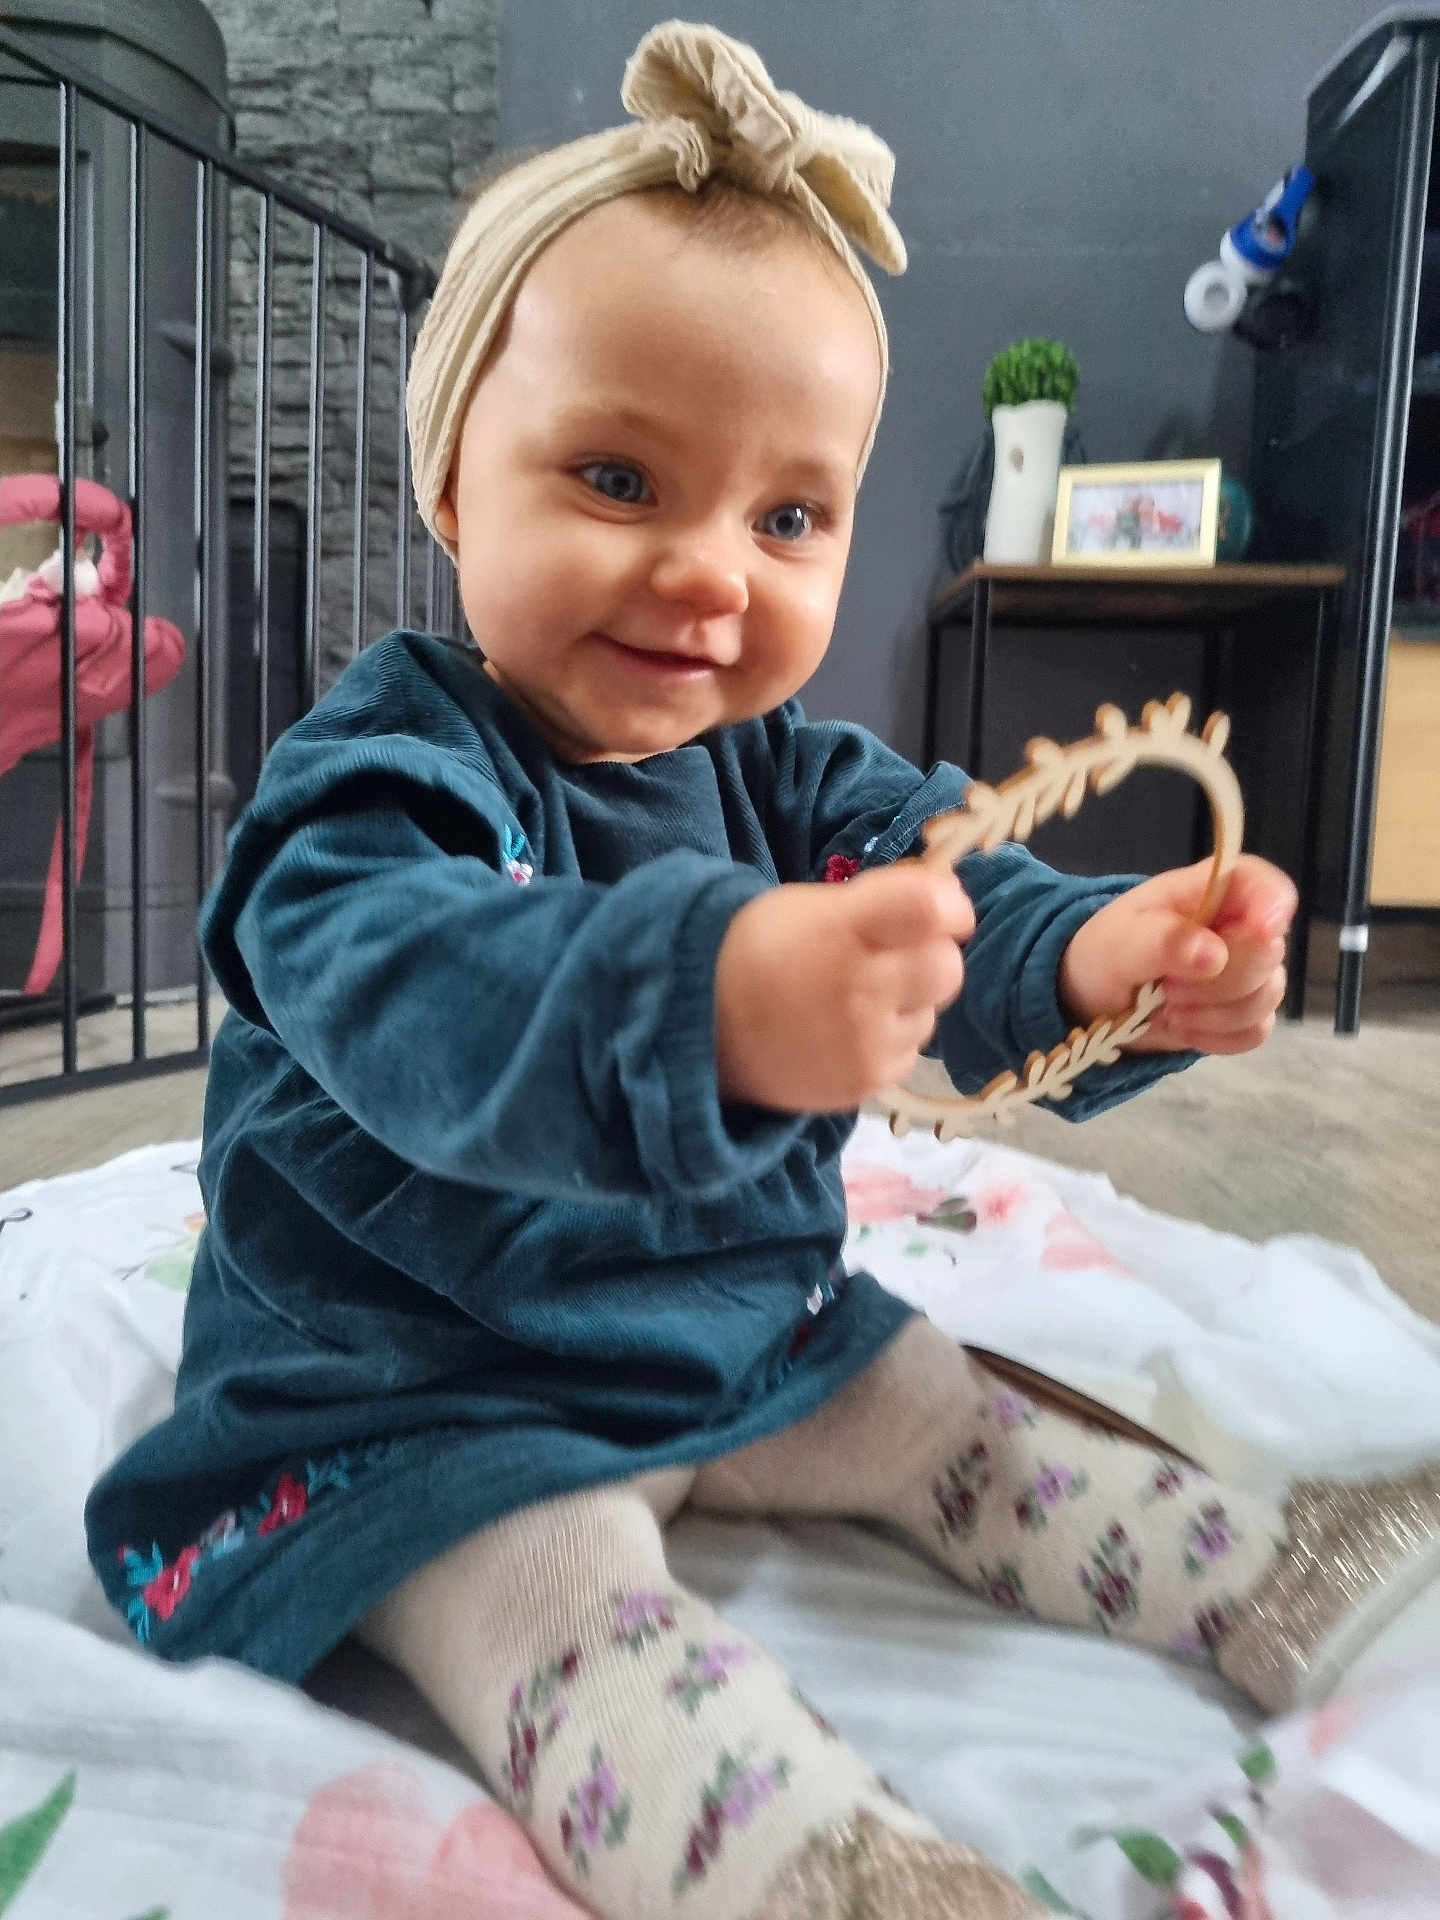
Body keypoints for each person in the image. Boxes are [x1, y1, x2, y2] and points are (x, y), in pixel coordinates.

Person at [86, 24, 1440, 1919]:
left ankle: (1257, 1569)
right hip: (410, 1380)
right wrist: (714, 997)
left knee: (947, 1408)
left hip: (732, 1324)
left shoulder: (785, 775)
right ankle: (818, 1866)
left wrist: (1099, 968)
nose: (712, 572)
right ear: (458, 485)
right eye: (622, 477)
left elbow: (956, 893)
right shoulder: (385, 774)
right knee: (544, 1588)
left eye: (788, 517)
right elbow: (418, 989)